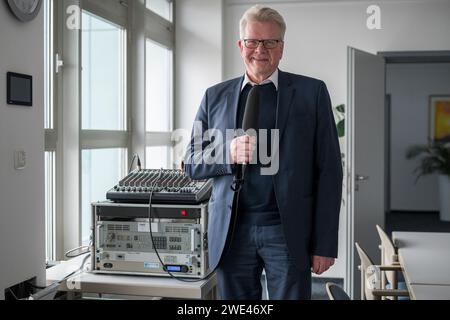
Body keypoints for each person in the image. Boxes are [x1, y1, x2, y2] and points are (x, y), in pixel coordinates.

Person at [184, 5, 342, 300]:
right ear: (240, 45)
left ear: (281, 48)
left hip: (286, 231)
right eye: (253, 41)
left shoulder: (312, 93)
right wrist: (227, 153)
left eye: (271, 42)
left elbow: (329, 171)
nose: (261, 49)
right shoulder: (214, 96)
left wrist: (324, 244)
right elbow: (191, 161)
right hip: (232, 232)